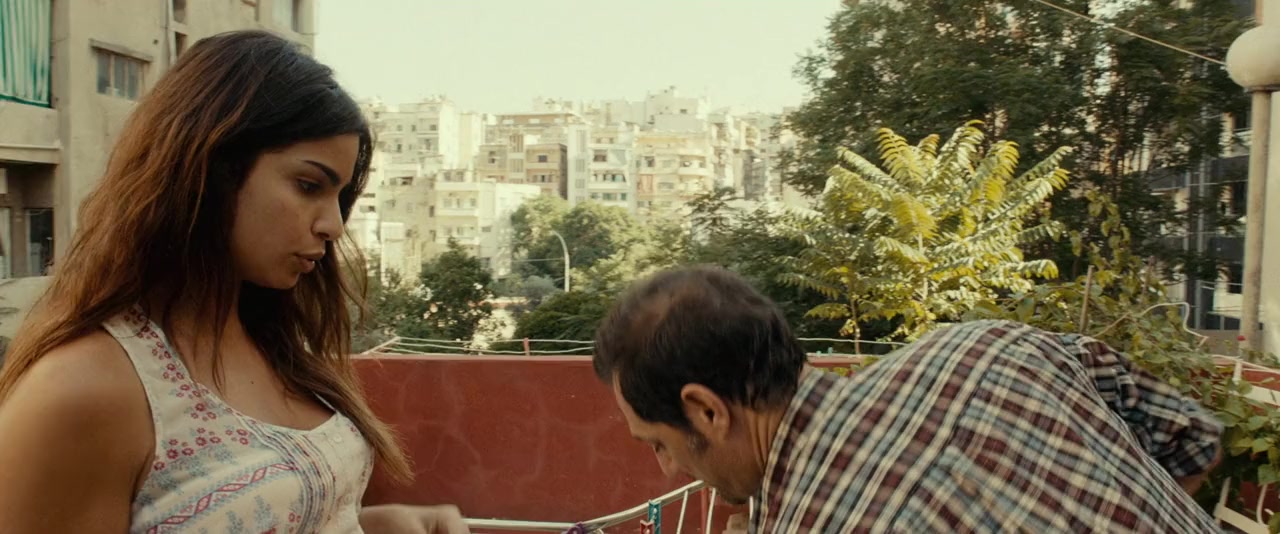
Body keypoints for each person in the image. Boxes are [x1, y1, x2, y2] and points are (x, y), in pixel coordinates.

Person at [0, 31, 468, 534]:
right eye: (308, 185)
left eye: (339, 197)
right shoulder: (82, 391)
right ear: (209, 168)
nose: (333, 225)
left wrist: (376, 525)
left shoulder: (269, 340)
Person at [593, 266, 1223, 532]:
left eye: (658, 444)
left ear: (707, 410)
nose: (667, 469)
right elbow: (1192, 438)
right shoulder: (990, 346)